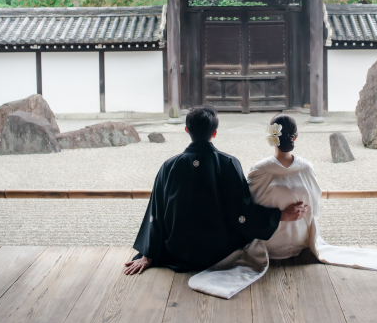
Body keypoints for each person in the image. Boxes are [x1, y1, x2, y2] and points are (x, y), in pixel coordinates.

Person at [188, 113, 377, 299]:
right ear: (295, 137)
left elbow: (247, 209)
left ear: (271, 137)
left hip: (270, 245)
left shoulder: (260, 170)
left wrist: (276, 213)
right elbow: (314, 203)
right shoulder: (306, 167)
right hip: (301, 241)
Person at [124, 105, 309, 275]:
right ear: (215, 133)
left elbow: (155, 212)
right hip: (219, 252)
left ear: (187, 130)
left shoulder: (169, 166)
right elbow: (241, 213)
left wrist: (148, 255)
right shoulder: (229, 163)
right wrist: (280, 215)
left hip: (178, 250)